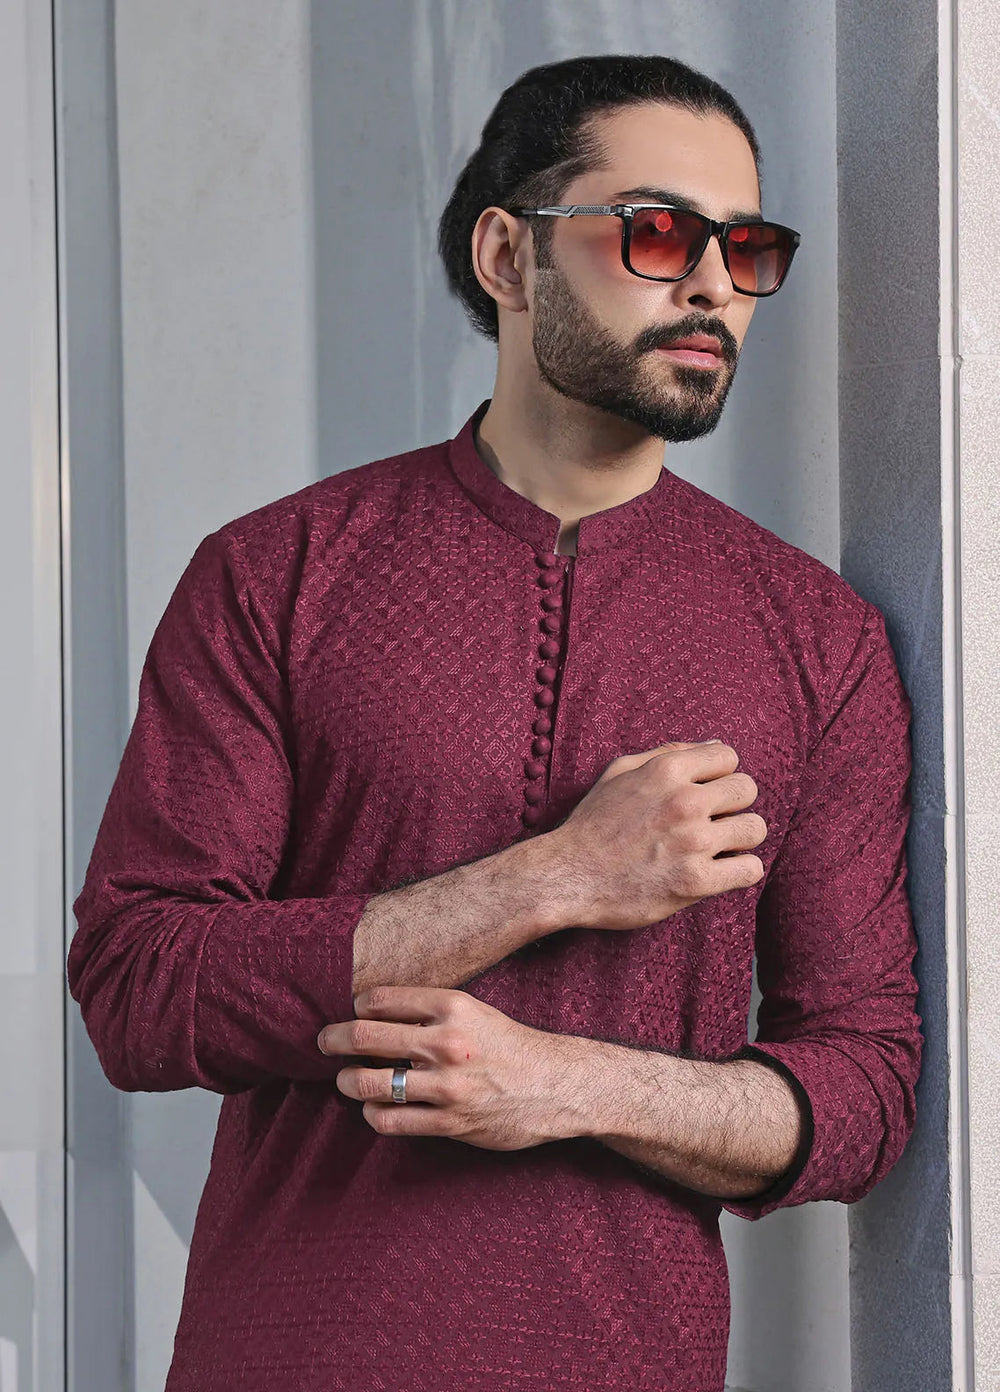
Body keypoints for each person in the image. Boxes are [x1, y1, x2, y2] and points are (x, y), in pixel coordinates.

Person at [67, 52, 922, 1392]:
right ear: (508, 256)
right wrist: (555, 878)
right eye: (657, 233)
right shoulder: (278, 574)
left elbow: (865, 1089)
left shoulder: (818, 638)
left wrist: (569, 1084)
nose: (713, 285)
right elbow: (138, 985)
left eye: (746, 248)